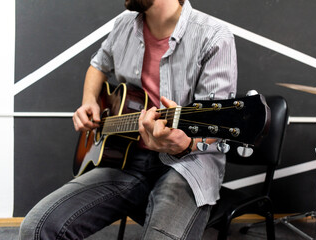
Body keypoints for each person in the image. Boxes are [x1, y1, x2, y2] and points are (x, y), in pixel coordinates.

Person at [19, 0, 237, 239]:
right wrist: (89, 101)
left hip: (188, 165)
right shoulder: (124, 25)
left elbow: (216, 128)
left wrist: (183, 144)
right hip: (126, 161)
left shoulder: (213, 35)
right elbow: (97, 65)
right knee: (37, 229)